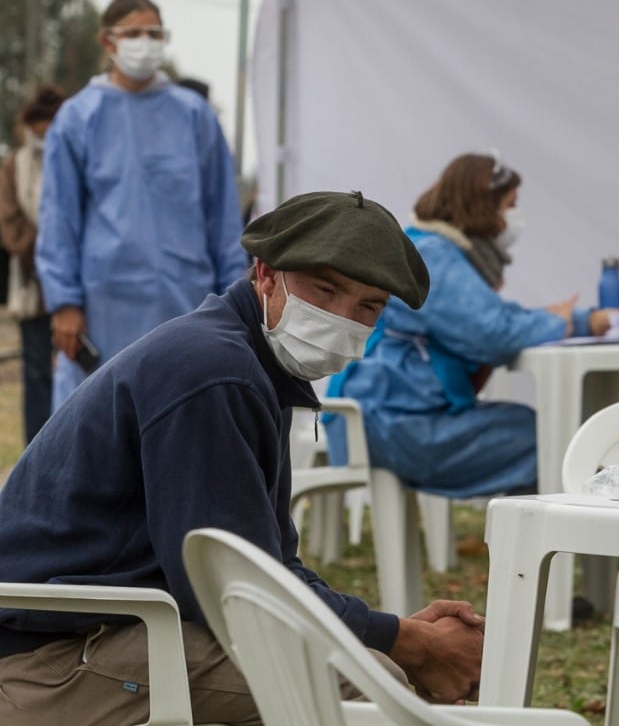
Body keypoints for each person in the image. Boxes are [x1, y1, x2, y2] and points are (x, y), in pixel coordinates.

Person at [0, 190, 484, 724]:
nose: (342, 318)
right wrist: (409, 643)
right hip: (43, 655)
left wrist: (392, 632)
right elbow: (239, 592)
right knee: (366, 686)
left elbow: (267, 565)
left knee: (366, 665)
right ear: (266, 275)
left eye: (368, 306)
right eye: (325, 290)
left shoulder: (248, 361)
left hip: (105, 629)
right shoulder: (216, 372)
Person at [328, 153, 613, 497]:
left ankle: (534, 539)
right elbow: (494, 333)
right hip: (395, 424)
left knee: (538, 433)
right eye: (510, 205)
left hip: (392, 418)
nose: (514, 216)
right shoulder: (432, 256)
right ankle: (553, 542)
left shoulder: (430, 247)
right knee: (549, 440)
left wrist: (581, 321)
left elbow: (495, 317)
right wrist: (562, 320)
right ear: (483, 207)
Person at [36, 0, 246, 409]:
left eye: (154, 33)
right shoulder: (79, 118)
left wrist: (236, 299)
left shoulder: (195, 117)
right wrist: (65, 302)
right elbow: (59, 218)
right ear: (108, 42)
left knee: (181, 415)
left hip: (188, 303)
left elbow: (223, 217)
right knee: (97, 421)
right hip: (103, 307)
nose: (145, 43)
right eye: (133, 33)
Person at [0, 85, 64, 444]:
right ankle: (37, 451)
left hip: (77, 286)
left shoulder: (75, 157)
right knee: (37, 373)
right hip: (31, 285)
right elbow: (10, 225)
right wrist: (53, 246)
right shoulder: (13, 166)